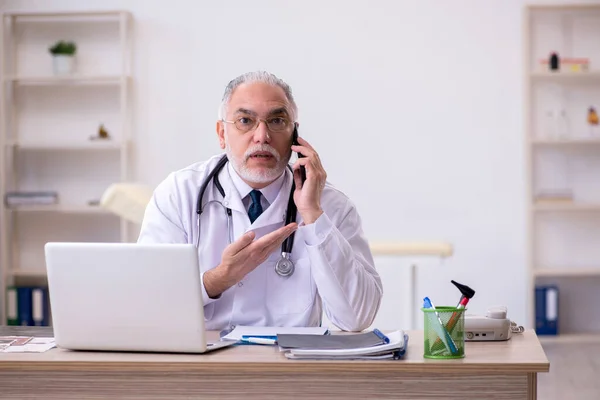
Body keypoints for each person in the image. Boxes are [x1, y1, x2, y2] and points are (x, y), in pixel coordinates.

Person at [138, 71, 382, 331]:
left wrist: (312, 215)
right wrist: (217, 280)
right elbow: (146, 300)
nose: (262, 135)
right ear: (222, 133)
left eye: (277, 121)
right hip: (205, 365)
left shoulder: (331, 205)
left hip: (291, 366)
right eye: (245, 120)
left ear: (294, 135)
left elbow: (358, 317)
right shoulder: (179, 194)